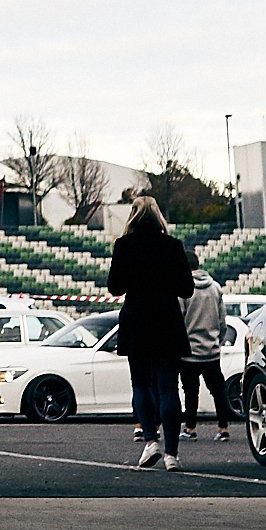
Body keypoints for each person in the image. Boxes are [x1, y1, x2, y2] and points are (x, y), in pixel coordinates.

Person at [106, 192, 194, 472]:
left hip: (137, 321)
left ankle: (150, 440)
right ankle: (172, 454)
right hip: (167, 320)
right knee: (169, 388)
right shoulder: (173, 245)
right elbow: (187, 289)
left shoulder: (124, 245)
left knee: (140, 384)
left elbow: (115, 288)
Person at [179, 265, 230, 442]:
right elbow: (222, 320)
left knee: (191, 392)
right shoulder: (215, 287)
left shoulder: (183, 289)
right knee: (218, 391)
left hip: (189, 352)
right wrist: (218, 340)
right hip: (212, 351)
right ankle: (223, 428)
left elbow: (179, 319)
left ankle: (190, 428)